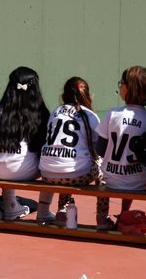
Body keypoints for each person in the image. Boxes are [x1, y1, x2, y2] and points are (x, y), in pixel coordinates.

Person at [38, 77, 112, 229]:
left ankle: (62, 212)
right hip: (76, 176)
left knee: (66, 162)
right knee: (103, 168)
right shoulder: (89, 115)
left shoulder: (56, 111)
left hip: (46, 173)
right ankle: (102, 217)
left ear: (64, 96)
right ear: (87, 95)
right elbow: (99, 149)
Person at [0, 67, 51, 221]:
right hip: (22, 170)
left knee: (9, 156)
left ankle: (9, 203)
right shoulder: (40, 111)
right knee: (44, 159)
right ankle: (43, 211)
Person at [96, 66, 146, 221]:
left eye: (121, 83)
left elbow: (100, 149)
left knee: (101, 169)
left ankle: (103, 217)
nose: (120, 87)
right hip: (140, 181)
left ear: (130, 88)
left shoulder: (113, 113)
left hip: (111, 179)